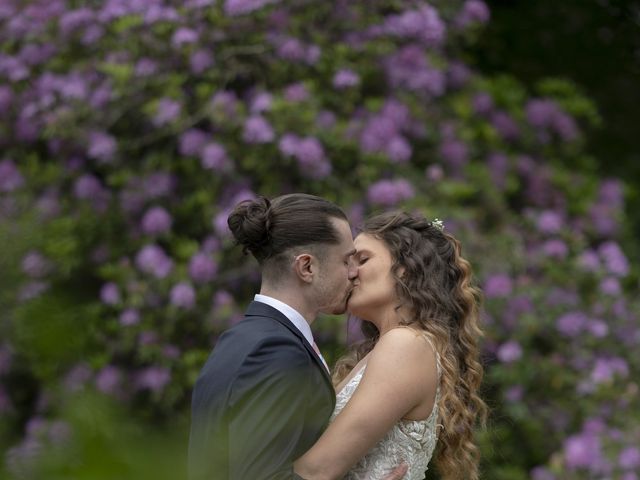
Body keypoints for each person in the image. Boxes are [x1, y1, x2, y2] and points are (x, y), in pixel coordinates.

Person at [188, 193, 407, 480]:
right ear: (307, 268)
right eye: (346, 261)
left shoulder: (242, 339)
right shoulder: (278, 351)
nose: (354, 273)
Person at [294, 211, 488, 480]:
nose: (350, 273)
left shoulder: (405, 345)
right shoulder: (392, 347)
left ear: (405, 268)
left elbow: (316, 471)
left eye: (362, 259)